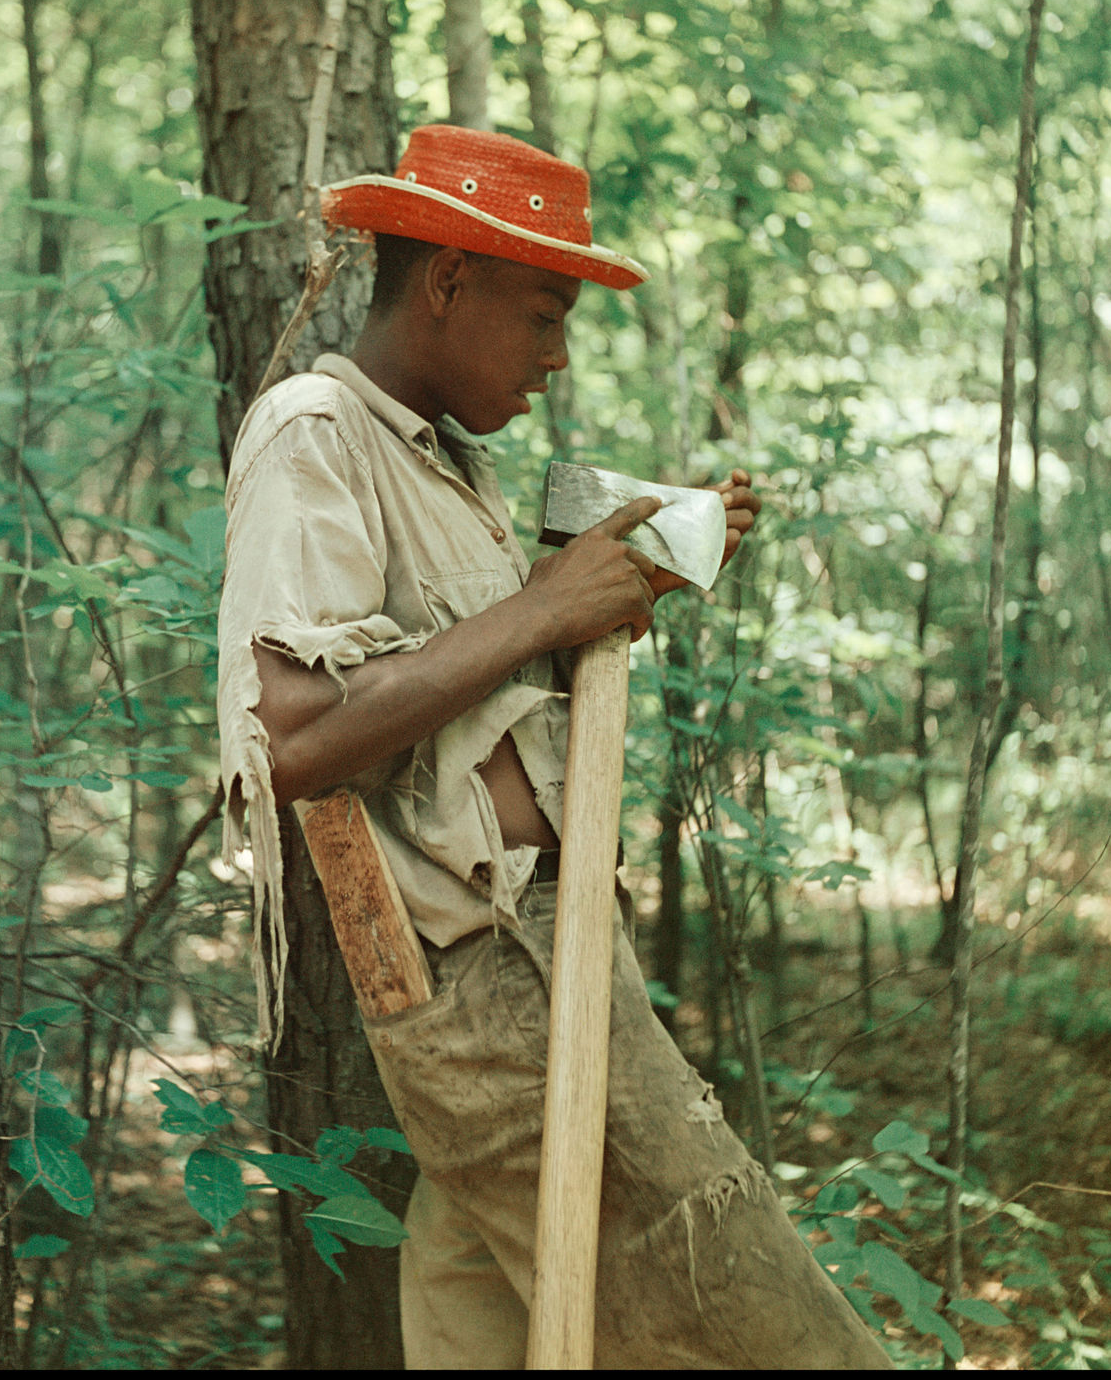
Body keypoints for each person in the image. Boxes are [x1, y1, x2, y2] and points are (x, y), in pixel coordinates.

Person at [216, 125, 893, 1368]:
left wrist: (617, 588)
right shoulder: (317, 429)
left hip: (548, 947)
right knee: (759, 1327)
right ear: (448, 279)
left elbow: (461, 704)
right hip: (493, 984)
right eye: (543, 314)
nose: (556, 355)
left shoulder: (447, 466)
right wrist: (541, 610)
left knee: (493, 1334)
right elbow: (292, 739)